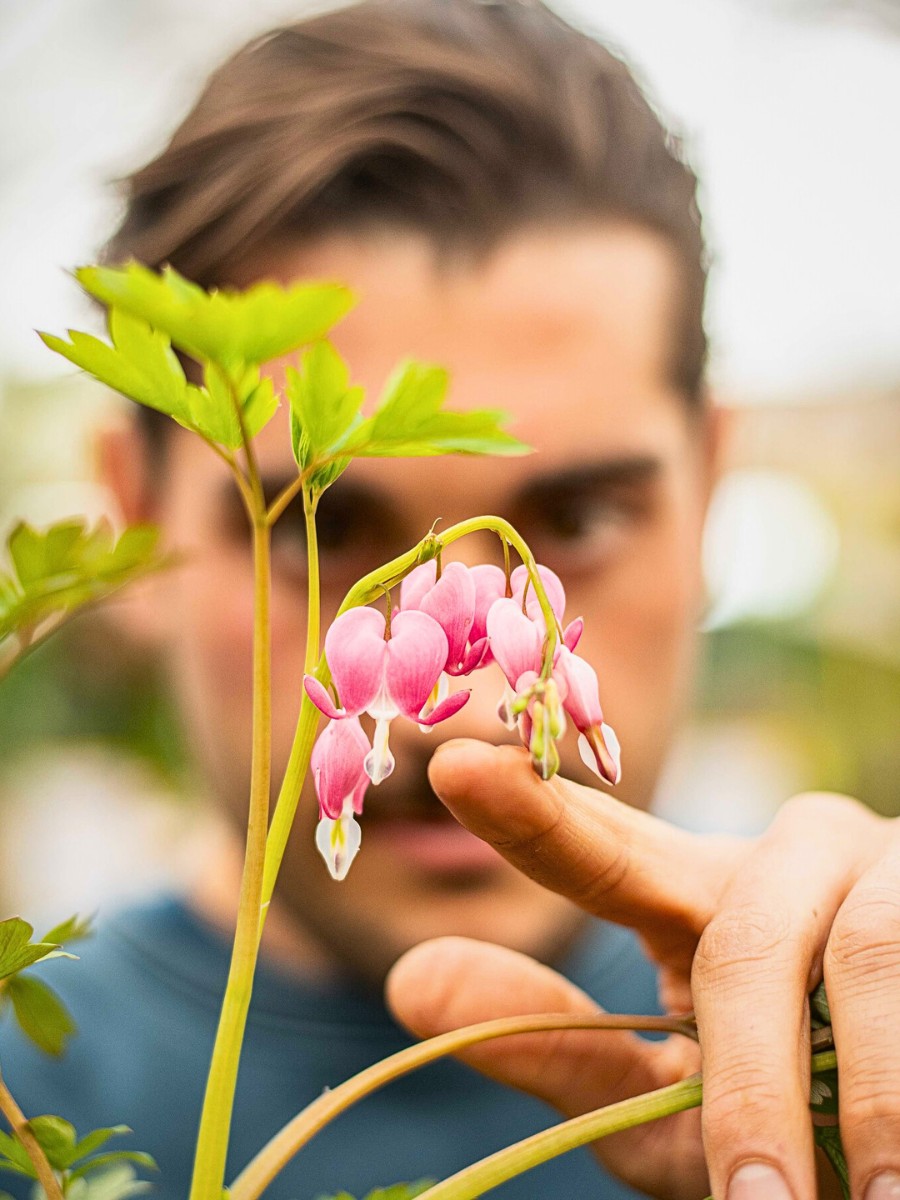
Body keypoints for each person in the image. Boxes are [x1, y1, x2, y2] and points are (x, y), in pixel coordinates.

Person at [3, 2, 897, 1199]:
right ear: (141, 517)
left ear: (713, 491)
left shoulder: (838, 1056)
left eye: (579, 520)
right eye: (318, 527)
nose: (461, 717)